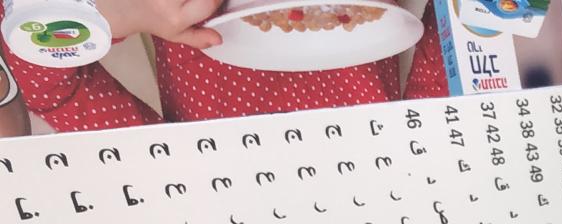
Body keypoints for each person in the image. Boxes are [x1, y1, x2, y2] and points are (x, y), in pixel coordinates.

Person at [0, 0, 446, 133]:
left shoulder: (175, 171)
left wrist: (109, 12)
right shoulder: (415, 136)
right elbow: (461, 36)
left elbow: (48, 82)